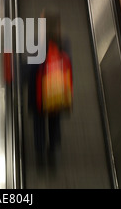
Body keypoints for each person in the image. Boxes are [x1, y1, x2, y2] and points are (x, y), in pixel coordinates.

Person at [28, 10, 73, 166]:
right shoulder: (64, 42)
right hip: (57, 90)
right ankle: (53, 151)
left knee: (39, 122)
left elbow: (31, 68)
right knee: (54, 121)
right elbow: (69, 64)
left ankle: (40, 154)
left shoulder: (36, 42)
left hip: (39, 91)